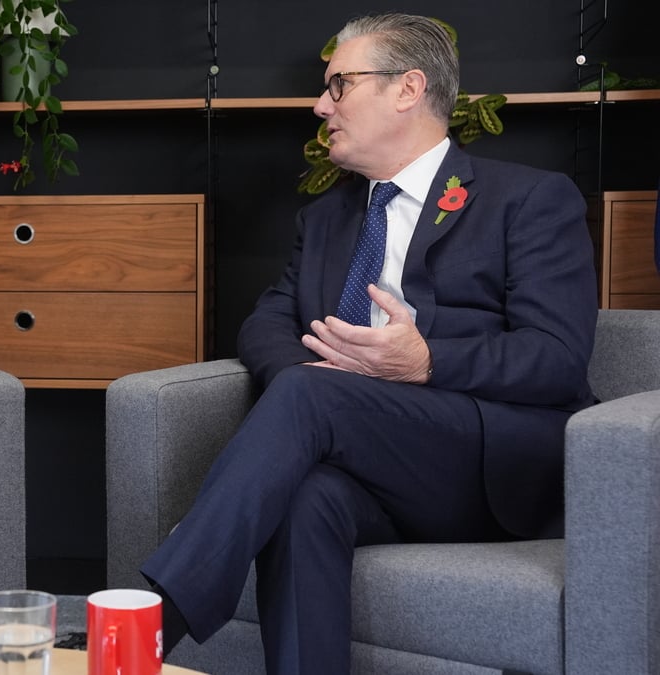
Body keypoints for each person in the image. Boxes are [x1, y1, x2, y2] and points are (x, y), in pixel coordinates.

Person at [140, 13, 598, 674]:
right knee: (305, 498)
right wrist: (331, 374)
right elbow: (264, 324)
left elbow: (556, 358)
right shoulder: (326, 219)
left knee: (309, 395)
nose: (319, 105)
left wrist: (425, 360)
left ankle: (153, 621)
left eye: (339, 85)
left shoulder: (527, 200)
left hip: (489, 462)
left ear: (407, 89)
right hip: (372, 461)